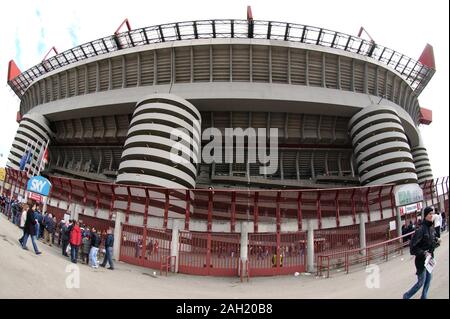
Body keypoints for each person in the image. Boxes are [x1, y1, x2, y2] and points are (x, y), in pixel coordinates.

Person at [403, 206, 439, 299]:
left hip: (429, 260)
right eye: (430, 214)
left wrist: (437, 242)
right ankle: (406, 296)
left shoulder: (431, 228)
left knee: (429, 279)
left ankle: (424, 297)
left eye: (432, 213)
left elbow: (431, 244)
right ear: (425, 215)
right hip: (421, 260)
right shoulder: (420, 229)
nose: (432, 215)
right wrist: (424, 253)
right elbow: (412, 248)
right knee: (421, 282)